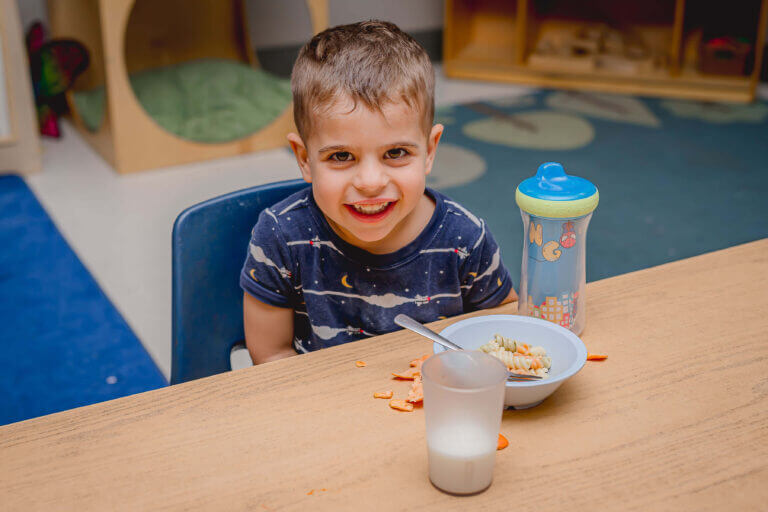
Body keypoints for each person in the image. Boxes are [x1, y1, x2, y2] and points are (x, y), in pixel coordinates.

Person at [240, 20, 517, 364]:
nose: (370, 182)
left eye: (396, 153)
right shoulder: (280, 237)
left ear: (430, 151)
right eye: (341, 156)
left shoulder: (466, 238)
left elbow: (505, 326)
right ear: (304, 159)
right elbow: (270, 357)